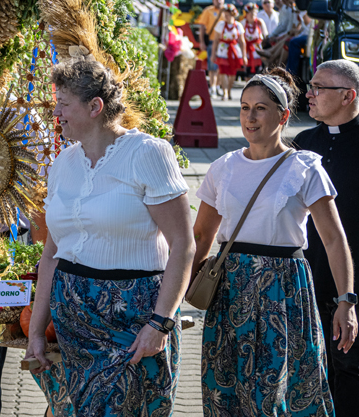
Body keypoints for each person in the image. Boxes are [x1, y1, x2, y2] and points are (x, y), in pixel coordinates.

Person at [24, 57, 196, 415]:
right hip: (74, 324)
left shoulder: (147, 153)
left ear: (95, 107)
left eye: (63, 103)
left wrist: (160, 323)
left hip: (135, 321)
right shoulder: (64, 163)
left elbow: (183, 244)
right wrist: (36, 332)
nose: (56, 112)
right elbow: (51, 256)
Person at [191, 68, 357, 415]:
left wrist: (346, 302)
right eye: (244, 107)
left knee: (278, 390)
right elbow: (202, 236)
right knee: (227, 386)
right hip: (231, 289)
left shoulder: (305, 167)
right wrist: (178, 298)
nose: (249, 118)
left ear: (283, 116)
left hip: (283, 291)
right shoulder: (223, 167)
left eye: (260, 108)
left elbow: (332, 238)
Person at [293, 60, 359, 417]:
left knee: (348, 368)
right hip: (309, 273)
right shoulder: (303, 144)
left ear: (348, 96)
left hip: (352, 279)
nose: (310, 94)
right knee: (310, 366)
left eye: (320, 88)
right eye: (311, 86)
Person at [211, 4, 247, 100]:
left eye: (228, 15)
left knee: (232, 72)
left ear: (233, 15)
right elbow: (216, 40)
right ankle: (225, 92)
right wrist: (213, 53)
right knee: (223, 71)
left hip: (234, 52)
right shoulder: (221, 25)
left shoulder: (238, 26)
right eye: (225, 15)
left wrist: (244, 56)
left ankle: (229, 90)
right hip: (222, 51)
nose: (226, 17)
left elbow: (242, 41)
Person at [286, 0, 320, 77]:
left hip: (315, 36)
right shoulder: (307, 5)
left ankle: (292, 74)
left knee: (294, 42)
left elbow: (307, 21)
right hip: (307, 34)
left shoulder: (319, 5)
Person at [197, 0, 225, 98]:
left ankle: (218, 86)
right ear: (213, 0)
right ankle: (212, 87)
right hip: (212, 41)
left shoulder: (227, 11)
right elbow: (202, 27)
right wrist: (202, 42)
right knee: (212, 65)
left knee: (221, 66)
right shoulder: (208, 11)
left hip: (224, 43)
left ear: (223, 0)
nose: (218, 1)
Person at [241, 3, 267, 78]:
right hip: (247, 50)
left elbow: (265, 35)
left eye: (254, 12)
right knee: (247, 72)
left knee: (259, 72)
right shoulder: (243, 23)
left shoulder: (260, 22)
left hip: (257, 50)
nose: (252, 14)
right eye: (250, 12)